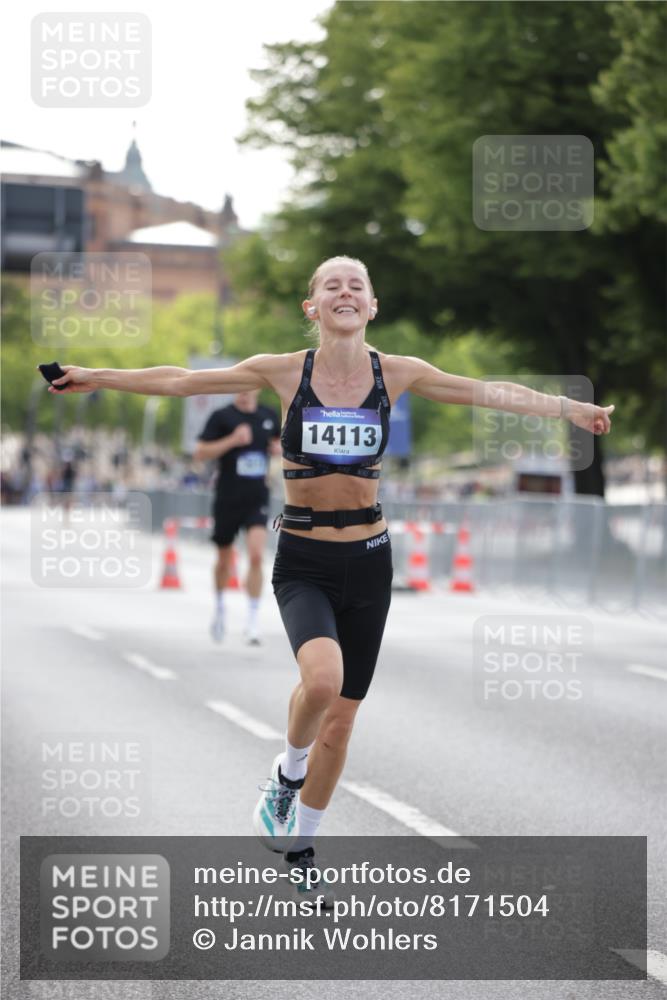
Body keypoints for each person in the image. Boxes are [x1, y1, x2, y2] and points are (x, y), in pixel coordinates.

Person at [43, 254, 614, 903]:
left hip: (369, 559)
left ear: (371, 307)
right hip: (305, 558)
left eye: (357, 286)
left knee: (341, 724)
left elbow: (486, 390)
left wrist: (569, 408)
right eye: (331, 286)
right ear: (311, 307)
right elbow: (179, 381)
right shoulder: (283, 372)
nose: (345, 292)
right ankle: (286, 776)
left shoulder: (397, 373)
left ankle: (302, 845)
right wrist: (95, 376)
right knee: (321, 680)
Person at [193, 390, 281, 645]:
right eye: (239, 387)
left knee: (255, 555)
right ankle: (220, 607)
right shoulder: (222, 416)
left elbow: (280, 444)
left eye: (249, 386)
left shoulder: (268, 415)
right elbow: (200, 452)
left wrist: (278, 448)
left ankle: (252, 620)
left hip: (257, 497)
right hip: (227, 497)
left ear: (257, 388)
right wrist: (232, 440)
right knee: (224, 561)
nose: (244, 392)